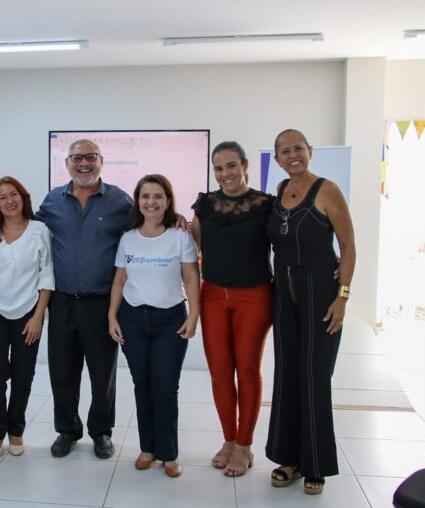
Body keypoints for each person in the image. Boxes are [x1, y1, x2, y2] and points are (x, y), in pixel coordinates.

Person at [265, 129, 356, 496]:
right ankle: (288, 458)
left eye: (298, 148)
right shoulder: (278, 195)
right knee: (287, 374)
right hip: (283, 295)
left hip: (320, 294)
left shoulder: (327, 190)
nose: (293, 155)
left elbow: (348, 246)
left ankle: (314, 463)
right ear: (277, 159)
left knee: (314, 375)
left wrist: (343, 297)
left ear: (310, 151)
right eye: (285, 151)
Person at [36, 139, 132, 459]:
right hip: (62, 301)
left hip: (102, 302)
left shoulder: (120, 201)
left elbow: (148, 226)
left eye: (90, 157)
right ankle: (67, 430)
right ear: (67, 164)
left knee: (103, 373)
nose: (84, 164)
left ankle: (101, 432)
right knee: (63, 371)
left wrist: (175, 221)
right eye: (77, 158)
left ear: (102, 161)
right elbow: (27, 233)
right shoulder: (52, 201)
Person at [190, 141, 274, 477]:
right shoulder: (205, 204)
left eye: (230, 166)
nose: (225, 174)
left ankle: (244, 445)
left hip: (253, 296)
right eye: (219, 169)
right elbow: (195, 242)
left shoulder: (266, 204)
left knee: (248, 372)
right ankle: (228, 439)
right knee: (220, 373)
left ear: (245, 165)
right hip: (213, 295)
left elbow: (285, 240)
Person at [108, 174, 200, 478]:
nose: (151, 202)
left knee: (165, 387)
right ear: (138, 201)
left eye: (158, 196)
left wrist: (193, 314)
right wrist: (112, 316)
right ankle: (147, 448)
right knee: (142, 385)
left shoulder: (180, 236)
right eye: (145, 196)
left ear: (168, 200)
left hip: (169, 322)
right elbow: (120, 280)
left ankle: (169, 453)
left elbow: (190, 277)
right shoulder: (128, 237)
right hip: (133, 320)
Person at [0, 176, 54, 459]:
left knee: (23, 375)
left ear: (23, 197)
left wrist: (39, 316)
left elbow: (47, 275)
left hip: (29, 312)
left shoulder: (39, 230)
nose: (9, 201)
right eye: (2, 197)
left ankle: (16, 431)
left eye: (13, 194)